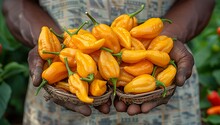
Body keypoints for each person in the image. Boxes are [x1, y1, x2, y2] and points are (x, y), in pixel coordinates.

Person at [2, 0, 215, 124]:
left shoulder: (132, 49)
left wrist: (169, 37)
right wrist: (49, 46)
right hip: (55, 113)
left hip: (169, 107)